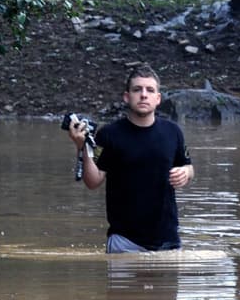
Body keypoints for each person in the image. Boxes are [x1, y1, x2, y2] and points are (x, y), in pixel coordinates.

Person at [67, 64, 194, 253]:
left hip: (168, 240)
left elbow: (188, 167)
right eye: (137, 89)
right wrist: (83, 147)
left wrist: (185, 172)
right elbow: (93, 181)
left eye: (150, 90)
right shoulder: (109, 134)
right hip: (124, 241)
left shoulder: (173, 132)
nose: (143, 95)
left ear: (158, 98)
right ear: (127, 96)